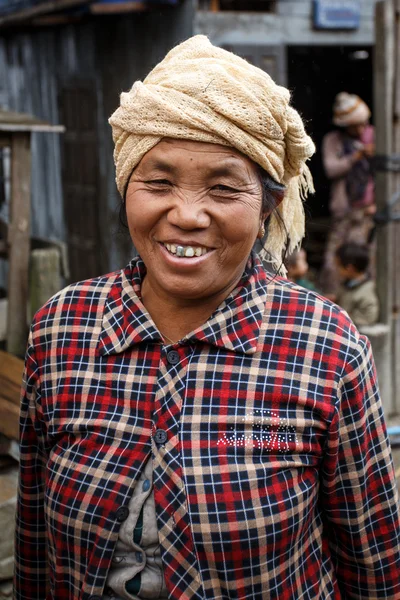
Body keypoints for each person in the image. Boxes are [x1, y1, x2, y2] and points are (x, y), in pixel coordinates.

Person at [14, 36, 400, 600]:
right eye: (159, 182)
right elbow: (34, 546)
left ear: (267, 205)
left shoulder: (327, 347)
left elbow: (374, 567)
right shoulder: (63, 328)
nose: (188, 215)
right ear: (126, 188)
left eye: (223, 188)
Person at [320, 92, 376, 299]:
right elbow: (331, 169)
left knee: (365, 256)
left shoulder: (375, 136)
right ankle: (334, 297)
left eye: (363, 124)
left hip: (368, 209)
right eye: (355, 126)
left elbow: (387, 173)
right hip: (344, 208)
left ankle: (365, 300)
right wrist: (355, 157)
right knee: (335, 257)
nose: (360, 130)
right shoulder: (333, 140)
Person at [335, 242, 379, 328]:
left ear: (349, 268)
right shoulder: (346, 285)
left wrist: (341, 318)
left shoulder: (367, 290)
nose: (337, 269)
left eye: (338, 266)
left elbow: (369, 317)